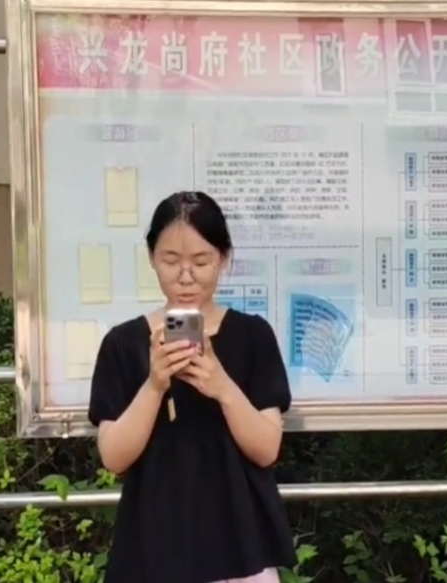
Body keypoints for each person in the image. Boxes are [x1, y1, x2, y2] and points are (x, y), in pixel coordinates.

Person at [88, 191, 296, 583]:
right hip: (153, 546)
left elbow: (267, 448)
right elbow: (114, 456)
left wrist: (221, 385)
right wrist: (154, 386)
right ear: (151, 257)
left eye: (201, 262)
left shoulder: (252, 337)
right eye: (171, 261)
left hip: (240, 547)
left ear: (223, 258)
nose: (186, 277)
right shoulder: (124, 344)